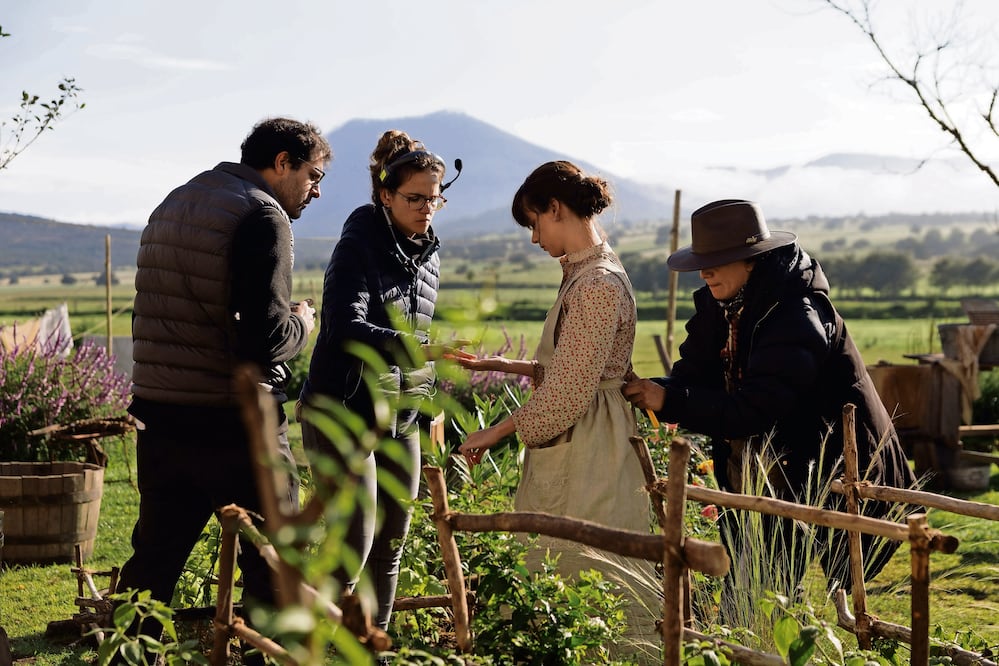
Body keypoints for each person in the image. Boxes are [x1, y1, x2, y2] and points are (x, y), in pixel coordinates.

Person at [622, 199, 918, 601]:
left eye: (718, 260)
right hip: (762, 462)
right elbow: (692, 377)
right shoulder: (722, 304)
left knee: (765, 591)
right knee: (748, 583)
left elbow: (756, 409)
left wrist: (669, 401)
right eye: (702, 262)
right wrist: (654, 390)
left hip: (822, 465)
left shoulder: (797, 315)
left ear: (751, 261)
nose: (705, 271)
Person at [117, 117, 329, 661]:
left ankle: (126, 655)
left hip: (162, 414)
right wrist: (304, 321)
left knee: (154, 561)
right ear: (282, 162)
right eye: (313, 174)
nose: (317, 189)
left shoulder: (174, 203)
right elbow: (263, 338)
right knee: (273, 558)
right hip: (234, 422)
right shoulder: (261, 213)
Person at [452, 161, 653, 638]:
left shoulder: (598, 285)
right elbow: (576, 367)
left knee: (583, 573)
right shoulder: (585, 273)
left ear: (556, 209)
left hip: (590, 445)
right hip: (583, 433)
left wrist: (494, 431)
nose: (534, 239)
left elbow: (567, 394)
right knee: (562, 572)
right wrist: (498, 365)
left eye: (534, 223)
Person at [298, 130, 458, 631]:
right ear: (385, 196)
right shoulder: (359, 240)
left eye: (435, 199)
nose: (427, 208)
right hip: (343, 409)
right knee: (354, 540)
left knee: (392, 540)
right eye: (415, 198)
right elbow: (344, 327)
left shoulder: (429, 252)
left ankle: (372, 647)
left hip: (401, 414)